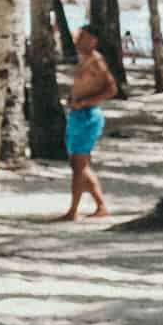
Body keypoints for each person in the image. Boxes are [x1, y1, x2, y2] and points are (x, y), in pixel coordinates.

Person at [61, 22, 116, 219]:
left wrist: (85, 102)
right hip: (78, 115)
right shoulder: (84, 60)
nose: (77, 40)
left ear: (93, 40)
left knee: (80, 165)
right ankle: (98, 206)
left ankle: (75, 210)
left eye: (82, 37)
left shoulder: (96, 62)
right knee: (77, 165)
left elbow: (111, 89)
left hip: (87, 116)